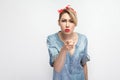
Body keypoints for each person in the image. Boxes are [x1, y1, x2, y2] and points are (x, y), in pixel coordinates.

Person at [46, 5, 90, 80]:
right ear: (59, 22)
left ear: (75, 23)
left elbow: (84, 64)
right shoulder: (52, 39)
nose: (67, 25)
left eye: (71, 21)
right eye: (64, 21)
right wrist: (64, 49)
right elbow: (57, 68)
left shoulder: (83, 39)